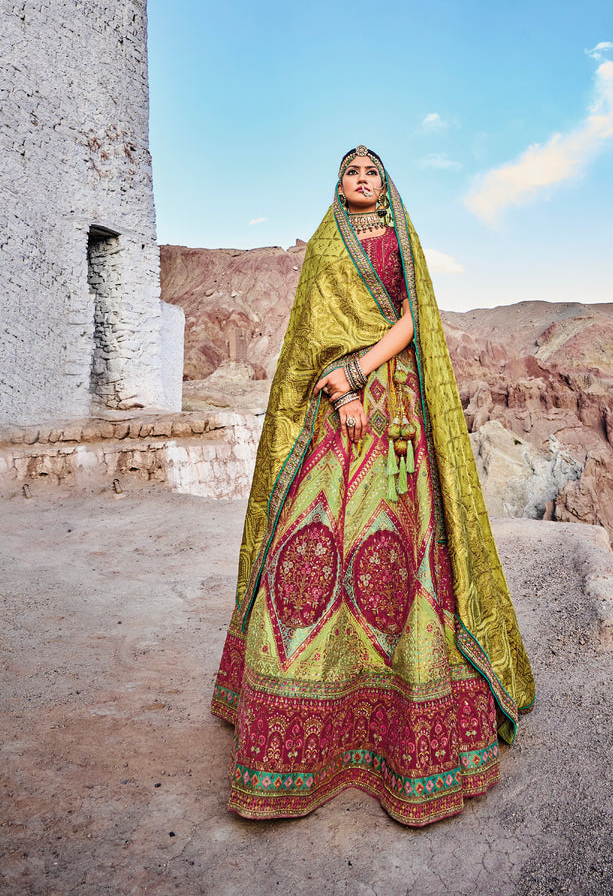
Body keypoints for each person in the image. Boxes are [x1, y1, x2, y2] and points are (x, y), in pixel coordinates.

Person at [211, 145, 534, 827]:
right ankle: (297, 738)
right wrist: (337, 384)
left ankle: (403, 730)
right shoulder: (328, 243)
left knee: (396, 552)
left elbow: (417, 320)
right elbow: (309, 334)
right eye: (352, 172)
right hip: (332, 409)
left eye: (373, 173)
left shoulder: (403, 239)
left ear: (385, 186)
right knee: (308, 549)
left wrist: (359, 372)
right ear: (338, 183)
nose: (362, 180)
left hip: (394, 412)